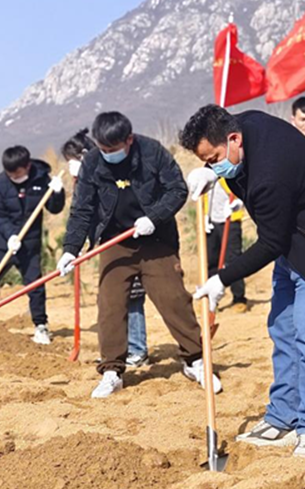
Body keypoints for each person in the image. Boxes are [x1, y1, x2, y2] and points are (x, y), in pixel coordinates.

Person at [180, 105, 305, 462]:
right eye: (207, 161)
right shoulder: (244, 124)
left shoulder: (270, 175)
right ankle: (283, 415)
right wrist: (210, 173)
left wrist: (222, 279)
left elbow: (270, 243)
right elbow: (278, 237)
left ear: (233, 139)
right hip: (294, 234)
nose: (215, 166)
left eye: (214, 158)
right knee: (281, 327)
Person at [57, 112, 218, 398]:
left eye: (113, 149)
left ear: (128, 140)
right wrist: (70, 249)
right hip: (114, 242)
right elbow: (82, 210)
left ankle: (195, 360)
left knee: (173, 300)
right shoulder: (93, 162)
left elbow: (177, 189)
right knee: (110, 304)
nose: (108, 155)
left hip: (155, 238)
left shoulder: (152, 151)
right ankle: (112, 370)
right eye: (103, 149)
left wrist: (154, 218)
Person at [62, 128, 149, 367]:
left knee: (133, 295)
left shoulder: (113, 171)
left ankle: (137, 349)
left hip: (133, 238)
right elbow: (86, 213)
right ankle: (117, 351)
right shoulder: (87, 178)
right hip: (110, 243)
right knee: (112, 300)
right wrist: (76, 245)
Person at [0, 145, 65, 345]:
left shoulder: (42, 179)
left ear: (27, 166)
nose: (13, 176)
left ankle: (41, 326)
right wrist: (11, 236)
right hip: (3, 244)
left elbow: (54, 209)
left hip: (29, 245)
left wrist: (58, 193)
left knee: (35, 285)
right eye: (9, 173)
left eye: (17, 173)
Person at [205, 179, 248, 310]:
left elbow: (243, 192)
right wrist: (205, 216)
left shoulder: (231, 175)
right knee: (211, 260)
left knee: (233, 259)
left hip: (230, 221)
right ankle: (211, 300)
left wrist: (238, 204)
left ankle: (239, 297)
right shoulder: (207, 175)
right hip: (211, 223)